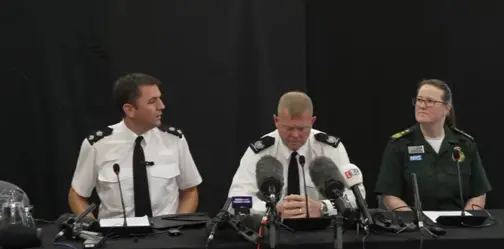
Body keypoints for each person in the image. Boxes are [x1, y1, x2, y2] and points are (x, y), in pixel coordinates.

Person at [68, 73, 202, 219]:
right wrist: (94, 228)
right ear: (129, 109)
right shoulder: (97, 144)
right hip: (116, 237)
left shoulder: (174, 139)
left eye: (160, 98)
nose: (161, 106)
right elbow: (77, 195)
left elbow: (190, 191)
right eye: (152, 101)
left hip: (166, 235)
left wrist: (178, 225)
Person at [228, 91, 364, 218]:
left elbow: (357, 197)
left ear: (312, 121)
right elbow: (236, 200)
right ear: (276, 121)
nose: (295, 135)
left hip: (321, 231)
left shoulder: (329, 149)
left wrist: (323, 208)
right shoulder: (260, 151)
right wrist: (272, 209)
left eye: (301, 128)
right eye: (289, 128)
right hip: (273, 231)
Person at [375, 79, 491, 211]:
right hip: (415, 227)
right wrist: (417, 221)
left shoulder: (464, 144)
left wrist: (466, 219)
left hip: (459, 226)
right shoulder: (399, 144)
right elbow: (389, 195)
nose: (422, 106)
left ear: (447, 108)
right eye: (419, 100)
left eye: (430, 101)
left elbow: (479, 193)